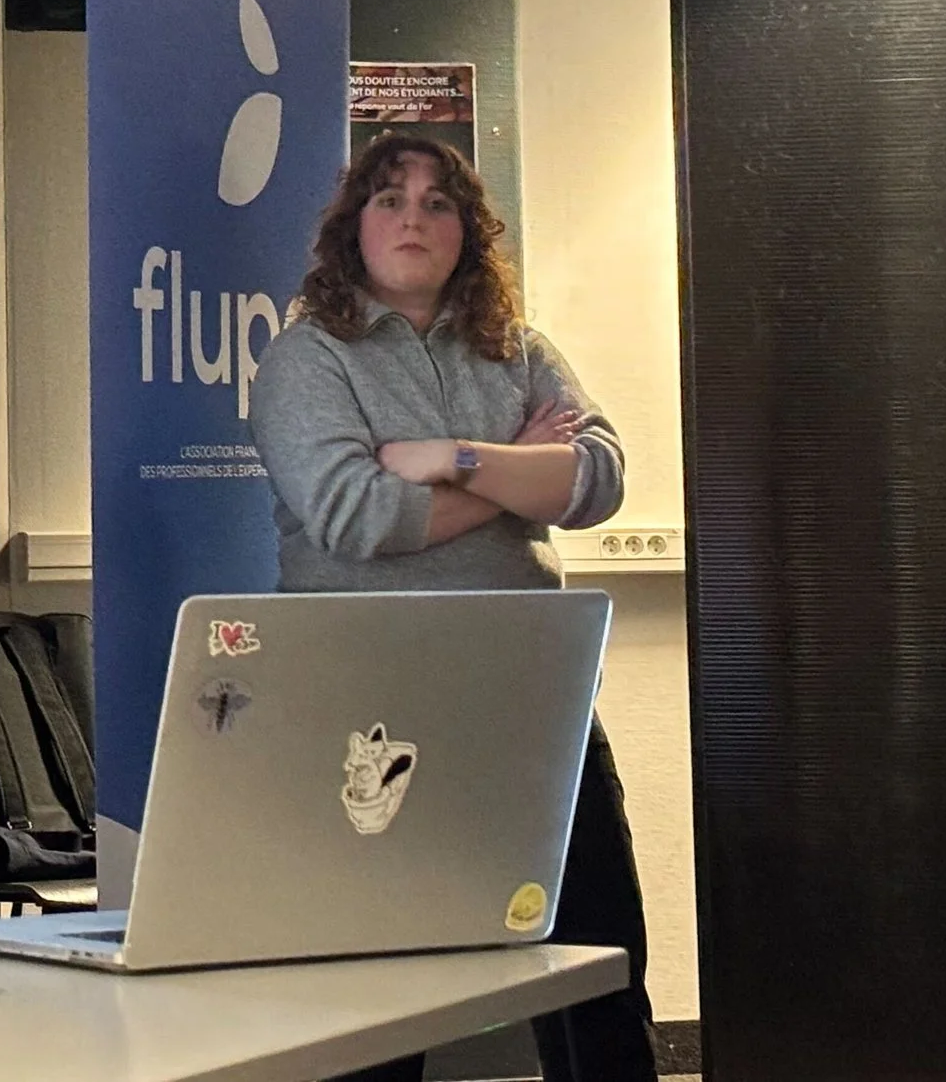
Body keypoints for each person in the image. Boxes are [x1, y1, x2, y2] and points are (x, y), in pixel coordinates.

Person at [250, 133, 657, 1082]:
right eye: (390, 199)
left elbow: (598, 477)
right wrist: (516, 469)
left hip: (535, 700)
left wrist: (451, 458)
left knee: (600, 979)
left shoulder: (519, 349)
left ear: (468, 231)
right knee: (382, 1005)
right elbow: (356, 513)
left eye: (439, 203)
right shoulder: (309, 359)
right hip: (372, 710)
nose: (414, 219)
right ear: (353, 227)